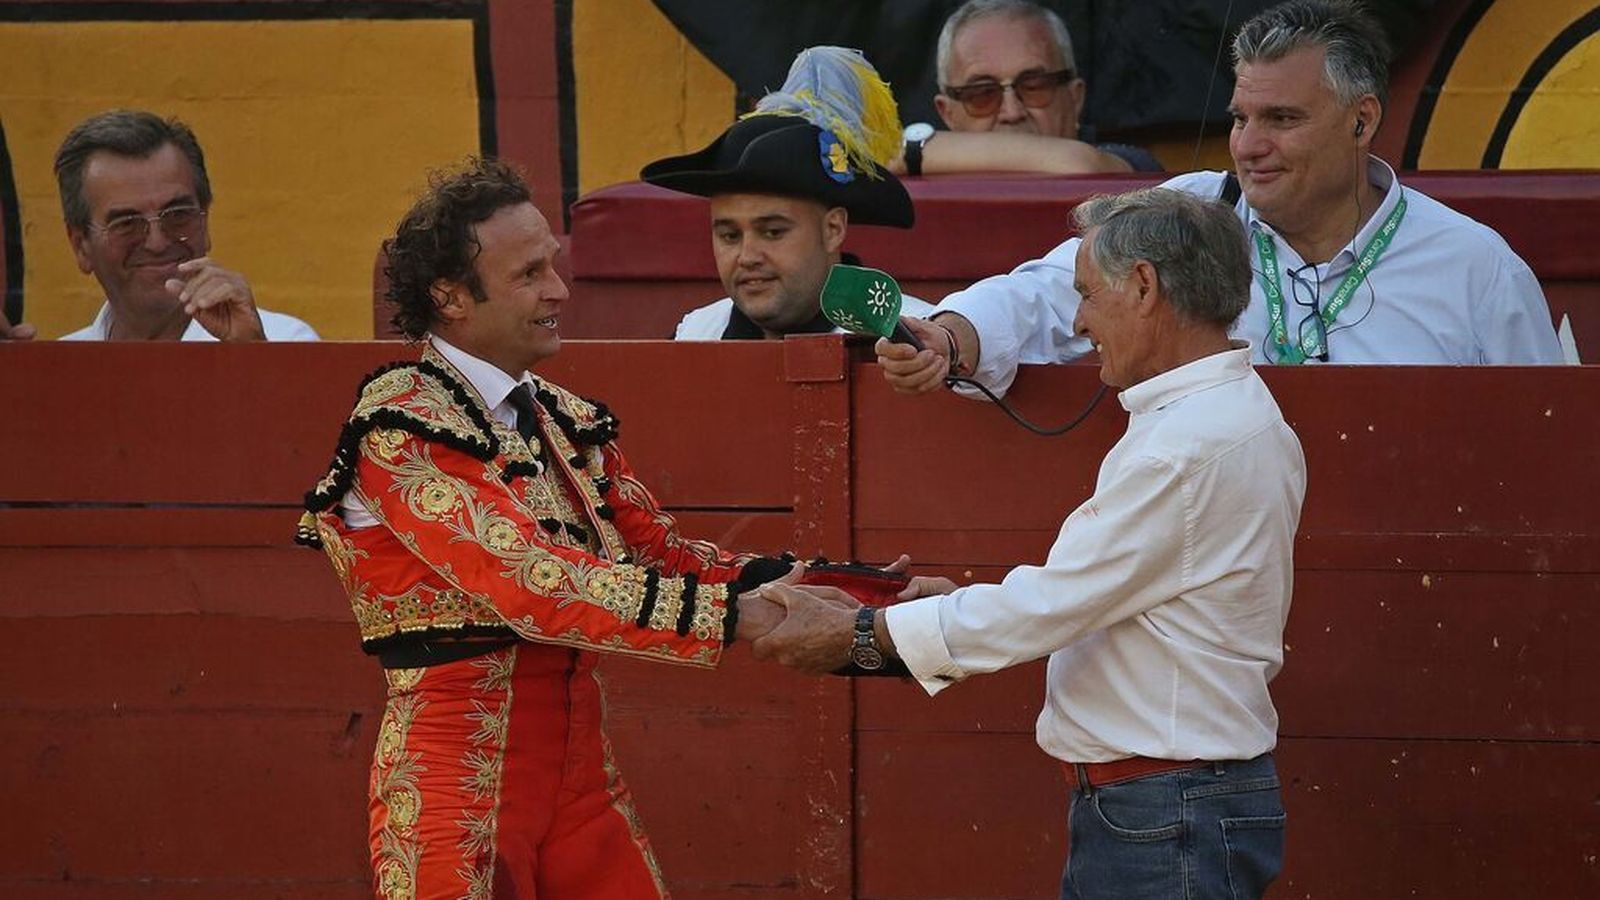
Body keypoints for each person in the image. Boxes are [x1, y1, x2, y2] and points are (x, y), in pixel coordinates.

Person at [755, 187, 1306, 900]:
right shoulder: (1224, 416)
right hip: (1170, 800)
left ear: (1143, 287)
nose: (1079, 321)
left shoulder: (1188, 445)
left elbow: (1051, 606)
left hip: (1167, 808)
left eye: (1087, 294)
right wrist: (943, 604)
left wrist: (866, 632)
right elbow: (1099, 597)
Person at [296, 158, 793, 899]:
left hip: (581, 776)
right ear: (452, 297)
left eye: (552, 267)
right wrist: (738, 618)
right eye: (530, 274)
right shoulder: (401, 427)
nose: (559, 290)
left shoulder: (564, 419)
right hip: (454, 787)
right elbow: (529, 580)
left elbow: (663, 553)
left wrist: (828, 590)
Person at [881, 0, 1563, 395]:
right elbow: (1041, 295)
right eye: (1240, 118)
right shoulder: (1190, 215)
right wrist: (952, 333)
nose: (1249, 145)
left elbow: (1541, 448)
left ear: (1362, 122)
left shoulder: (1477, 268)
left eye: (1282, 120)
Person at [642, 47, 937, 340]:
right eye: (730, 236)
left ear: (833, 228)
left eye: (772, 232)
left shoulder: (916, 343)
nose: (747, 257)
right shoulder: (693, 337)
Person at [50, 109, 316, 341]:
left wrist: (252, 357)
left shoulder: (282, 341)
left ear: (205, 221)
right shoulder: (54, 373)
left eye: (177, 215)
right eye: (127, 223)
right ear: (80, 246)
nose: (157, 242)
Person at [895, 0, 1162, 177]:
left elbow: (1081, 165)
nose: (1012, 112)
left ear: (1075, 97)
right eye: (982, 94)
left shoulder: (1132, 166)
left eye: (1034, 86)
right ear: (947, 113)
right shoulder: (919, 191)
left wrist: (909, 151)